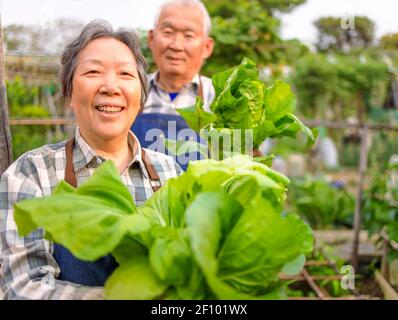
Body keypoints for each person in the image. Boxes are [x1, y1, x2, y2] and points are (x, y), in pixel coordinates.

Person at [0, 20, 181, 300]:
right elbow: (23, 287)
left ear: (140, 96)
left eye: (125, 74)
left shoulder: (171, 173)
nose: (111, 86)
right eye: (94, 71)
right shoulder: (31, 173)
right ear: (69, 92)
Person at [131, 0, 214, 169]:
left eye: (189, 35)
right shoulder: (129, 90)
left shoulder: (221, 98)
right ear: (152, 38)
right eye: (168, 32)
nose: (176, 45)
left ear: (207, 47)